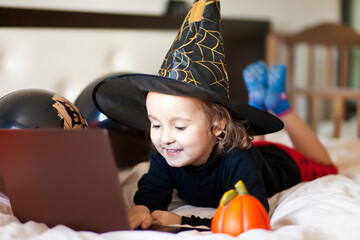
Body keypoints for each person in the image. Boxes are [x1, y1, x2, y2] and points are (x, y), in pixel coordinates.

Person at [93, 0, 337, 230]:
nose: (165, 138)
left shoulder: (240, 160)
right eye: (156, 125)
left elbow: (251, 215)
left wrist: (183, 219)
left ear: (218, 125)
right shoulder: (166, 154)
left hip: (281, 162)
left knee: (327, 166)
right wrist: (142, 208)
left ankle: (281, 106)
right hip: (247, 152)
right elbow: (153, 190)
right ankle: (258, 101)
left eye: (179, 127)